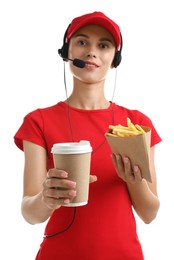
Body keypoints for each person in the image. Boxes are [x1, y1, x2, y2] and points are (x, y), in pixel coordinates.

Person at [14, 11, 161, 260]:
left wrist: (133, 180)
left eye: (103, 45)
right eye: (82, 42)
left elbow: (150, 213)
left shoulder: (136, 124)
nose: (92, 52)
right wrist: (47, 199)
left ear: (115, 58)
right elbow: (30, 213)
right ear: (66, 52)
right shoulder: (38, 121)